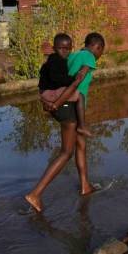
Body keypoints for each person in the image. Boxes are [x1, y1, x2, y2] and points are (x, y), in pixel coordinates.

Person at [23, 32, 106, 213]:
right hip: (67, 106)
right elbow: (76, 83)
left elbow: (56, 71)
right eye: (101, 51)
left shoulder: (72, 55)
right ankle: (35, 194)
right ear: (97, 47)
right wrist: (56, 104)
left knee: (81, 145)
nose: (99, 55)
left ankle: (85, 185)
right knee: (66, 152)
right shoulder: (89, 57)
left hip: (68, 105)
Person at [38, 33, 93, 137]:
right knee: (80, 95)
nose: (64, 51)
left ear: (71, 48)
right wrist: (72, 79)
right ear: (54, 48)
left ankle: (79, 124)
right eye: (60, 48)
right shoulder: (56, 61)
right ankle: (81, 126)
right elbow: (57, 78)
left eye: (67, 49)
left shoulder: (54, 59)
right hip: (49, 92)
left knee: (75, 95)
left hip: (46, 92)